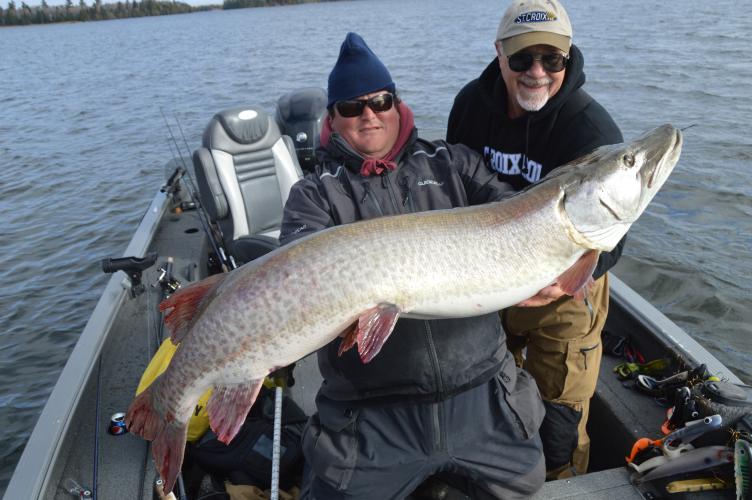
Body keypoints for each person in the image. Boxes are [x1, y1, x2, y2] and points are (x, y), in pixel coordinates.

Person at [280, 32, 545, 499]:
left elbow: (517, 214)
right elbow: (301, 278)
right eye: (352, 107)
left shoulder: (452, 163)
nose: (369, 115)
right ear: (332, 120)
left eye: (381, 101)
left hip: (482, 396)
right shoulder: (314, 195)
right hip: (373, 417)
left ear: (397, 105)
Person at [446, 0, 624, 480]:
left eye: (553, 60)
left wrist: (567, 280)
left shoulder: (590, 128)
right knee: (483, 396)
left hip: (565, 284)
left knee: (560, 420)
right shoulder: (469, 106)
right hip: (487, 276)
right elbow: (452, 193)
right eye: (523, 59)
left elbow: (614, 233)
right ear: (499, 54)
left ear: (569, 59)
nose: (537, 72)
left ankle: (563, 483)